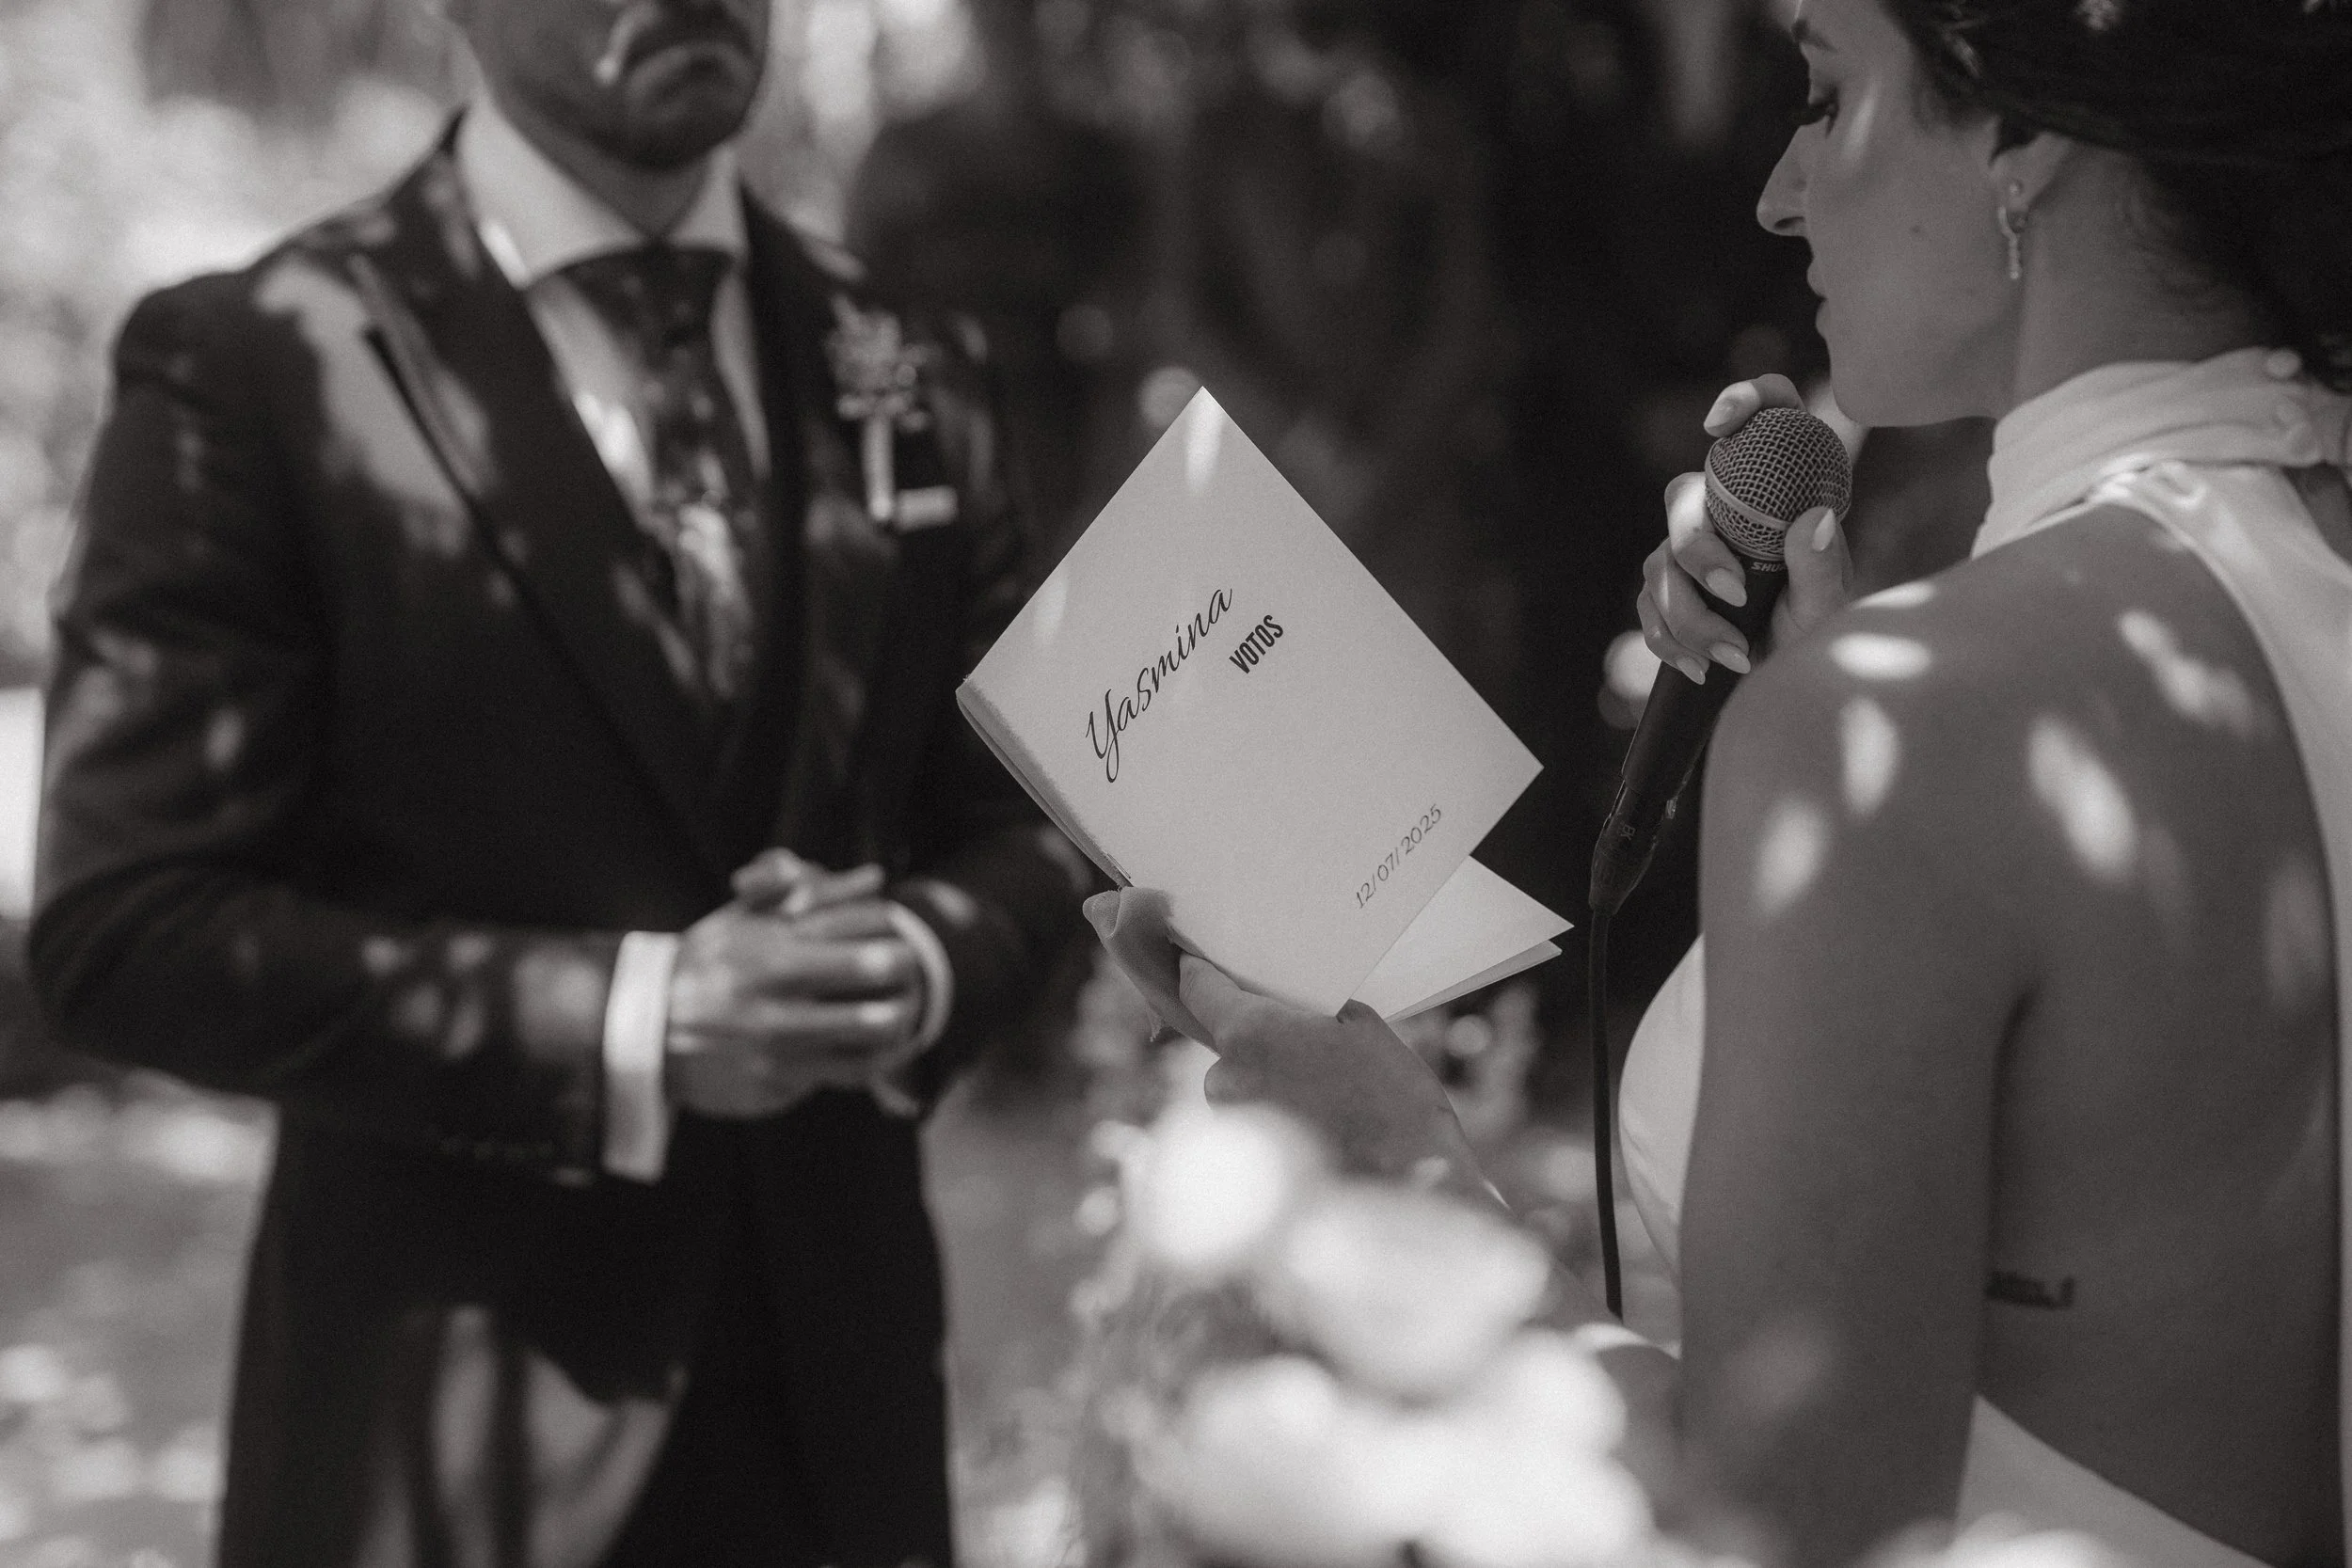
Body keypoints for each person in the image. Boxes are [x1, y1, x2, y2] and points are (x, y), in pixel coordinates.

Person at [1088, 0, 2352, 1563]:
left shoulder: (1925, 729)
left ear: (2026, 137)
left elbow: (1769, 1529)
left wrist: (1401, 1169)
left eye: (1825, 95)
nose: (1776, 187)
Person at [29, 0, 1090, 1562]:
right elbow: (125, 927)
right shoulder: (253, 363)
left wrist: (924, 957)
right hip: (444, 1441)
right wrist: (632, 1021)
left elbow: (1038, 814)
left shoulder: (910, 357)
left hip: (841, 1426)